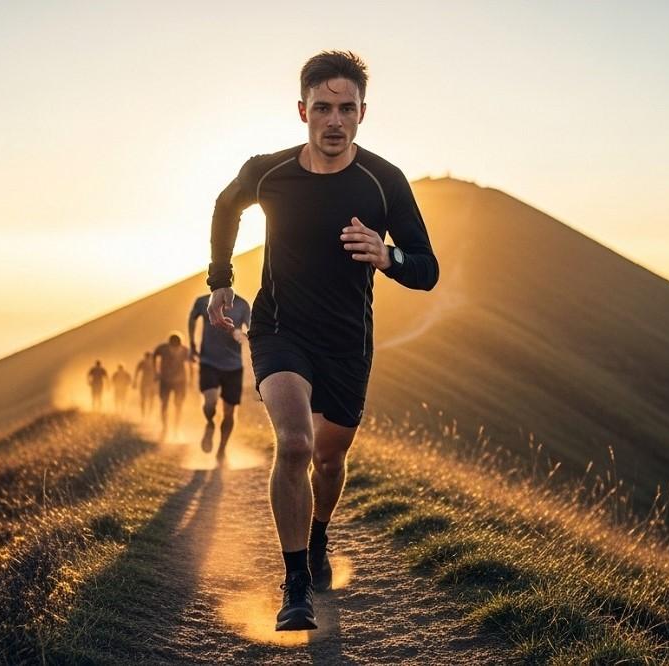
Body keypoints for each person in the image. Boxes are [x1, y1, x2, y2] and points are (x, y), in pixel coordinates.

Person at [206, 51, 438, 631]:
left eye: (347, 108)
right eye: (324, 108)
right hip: (280, 330)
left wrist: (389, 256)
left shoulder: (384, 182)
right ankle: (295, 587)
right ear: (303, 109)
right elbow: (225, 206)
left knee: (330, 459)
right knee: (296, 442)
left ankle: (317, 536)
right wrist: (221, 282)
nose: (335, 120)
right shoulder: (268, 170)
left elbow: (427, 268)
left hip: (347, 344)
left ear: (363, 113)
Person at [189, 293, 251, 455]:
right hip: (209, 361)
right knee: (210, 402)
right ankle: (209, 423)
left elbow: (252, 330)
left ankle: (222, 448)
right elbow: (192, 318)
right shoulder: (203, 301)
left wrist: (240, 335)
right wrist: (191, 344)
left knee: (229, 413)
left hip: (234, 366)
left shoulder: (242, 305)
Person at [153, 333, 191, 439]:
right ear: (169, 344)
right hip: (165, 380)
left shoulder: (185, 350)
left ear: (180, 344)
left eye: (176, 347)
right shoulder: (162, 349)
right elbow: (154, 355)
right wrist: (156, 372)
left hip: (180, 381)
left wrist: (191, 379)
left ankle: (176, 427)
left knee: (178, 405)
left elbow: (191, 364)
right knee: (164, 403)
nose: (174, 349)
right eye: (172, 347)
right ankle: (165, 427)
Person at [132, 351, 157, 419]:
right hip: (145, 382)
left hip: (152, 383)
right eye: (147, 357)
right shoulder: (142, 363)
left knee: (151, 399)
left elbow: (159, 373)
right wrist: (135, 382)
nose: (148, 359)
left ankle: (149, 413)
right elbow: (136, 372)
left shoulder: (155, 363)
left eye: (149, 357)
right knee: (143, 399)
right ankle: (143, 414)